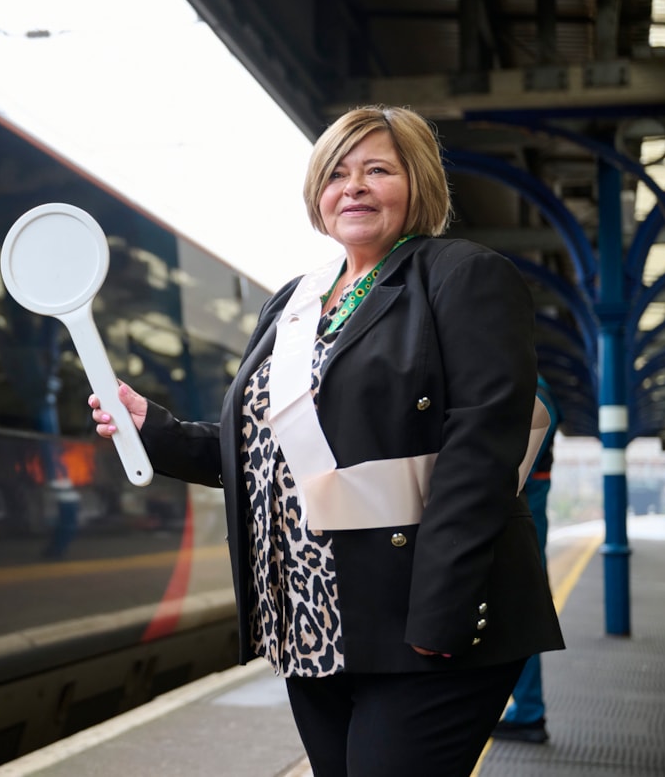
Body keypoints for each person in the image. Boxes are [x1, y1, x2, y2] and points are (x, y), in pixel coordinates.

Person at [89, 105, 565, 776]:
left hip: (423, 619)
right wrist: (152, 430)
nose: (355, 186)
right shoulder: (293, 301)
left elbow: (480, 451)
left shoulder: (463, 276)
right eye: (337, 172)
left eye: (379, 169)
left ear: (419, 182)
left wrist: (439, 617)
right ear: (318, 192)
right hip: (312, 620)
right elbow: (262, 454)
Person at [493, 375, 560, 743]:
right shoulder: (538, 387)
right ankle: (526, 708)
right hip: (531, 510)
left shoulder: (532, 389)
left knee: (519, 607)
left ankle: (529, 711)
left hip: (523, 512)